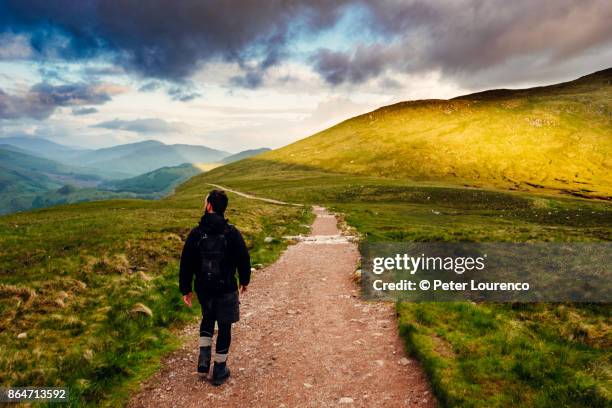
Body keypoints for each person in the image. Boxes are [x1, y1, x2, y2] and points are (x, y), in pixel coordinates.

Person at [179, 189, 251, 386]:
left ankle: (203, 359)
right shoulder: (232, 233)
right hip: (227, 287)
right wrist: (244, 280)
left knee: (207, 318)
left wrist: (186, 289)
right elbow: (243, 258)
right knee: (225, 326)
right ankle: (219, 370)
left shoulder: (196, 233)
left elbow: (186, 262)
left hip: (204, 288)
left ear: (209, 206)